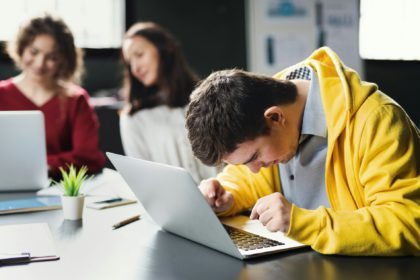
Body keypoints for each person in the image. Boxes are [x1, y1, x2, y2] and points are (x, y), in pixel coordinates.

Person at [185, 47, 420, 256]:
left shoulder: (377, 120)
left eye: (254, 157)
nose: (254, 170)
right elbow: (252, 179)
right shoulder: (271, 106)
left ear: (275, 118)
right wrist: (228, 194)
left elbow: (409, 222)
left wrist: (302, 223)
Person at [0, 14, 105, 179]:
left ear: (63, 61)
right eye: (33, 52)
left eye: (52, 57)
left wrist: (43, 166)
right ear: (21, 48)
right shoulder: (2, 94)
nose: (40, 63)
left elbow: (89, 158)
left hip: (60, 189)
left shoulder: (76, 99)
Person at [119, 22, 219, 183]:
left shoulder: (208, 98)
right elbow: (144, 180)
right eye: (129, 63)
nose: (135, 68)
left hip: (226, 200)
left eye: (139, 55)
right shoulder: (133, 118)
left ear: (163, 49)